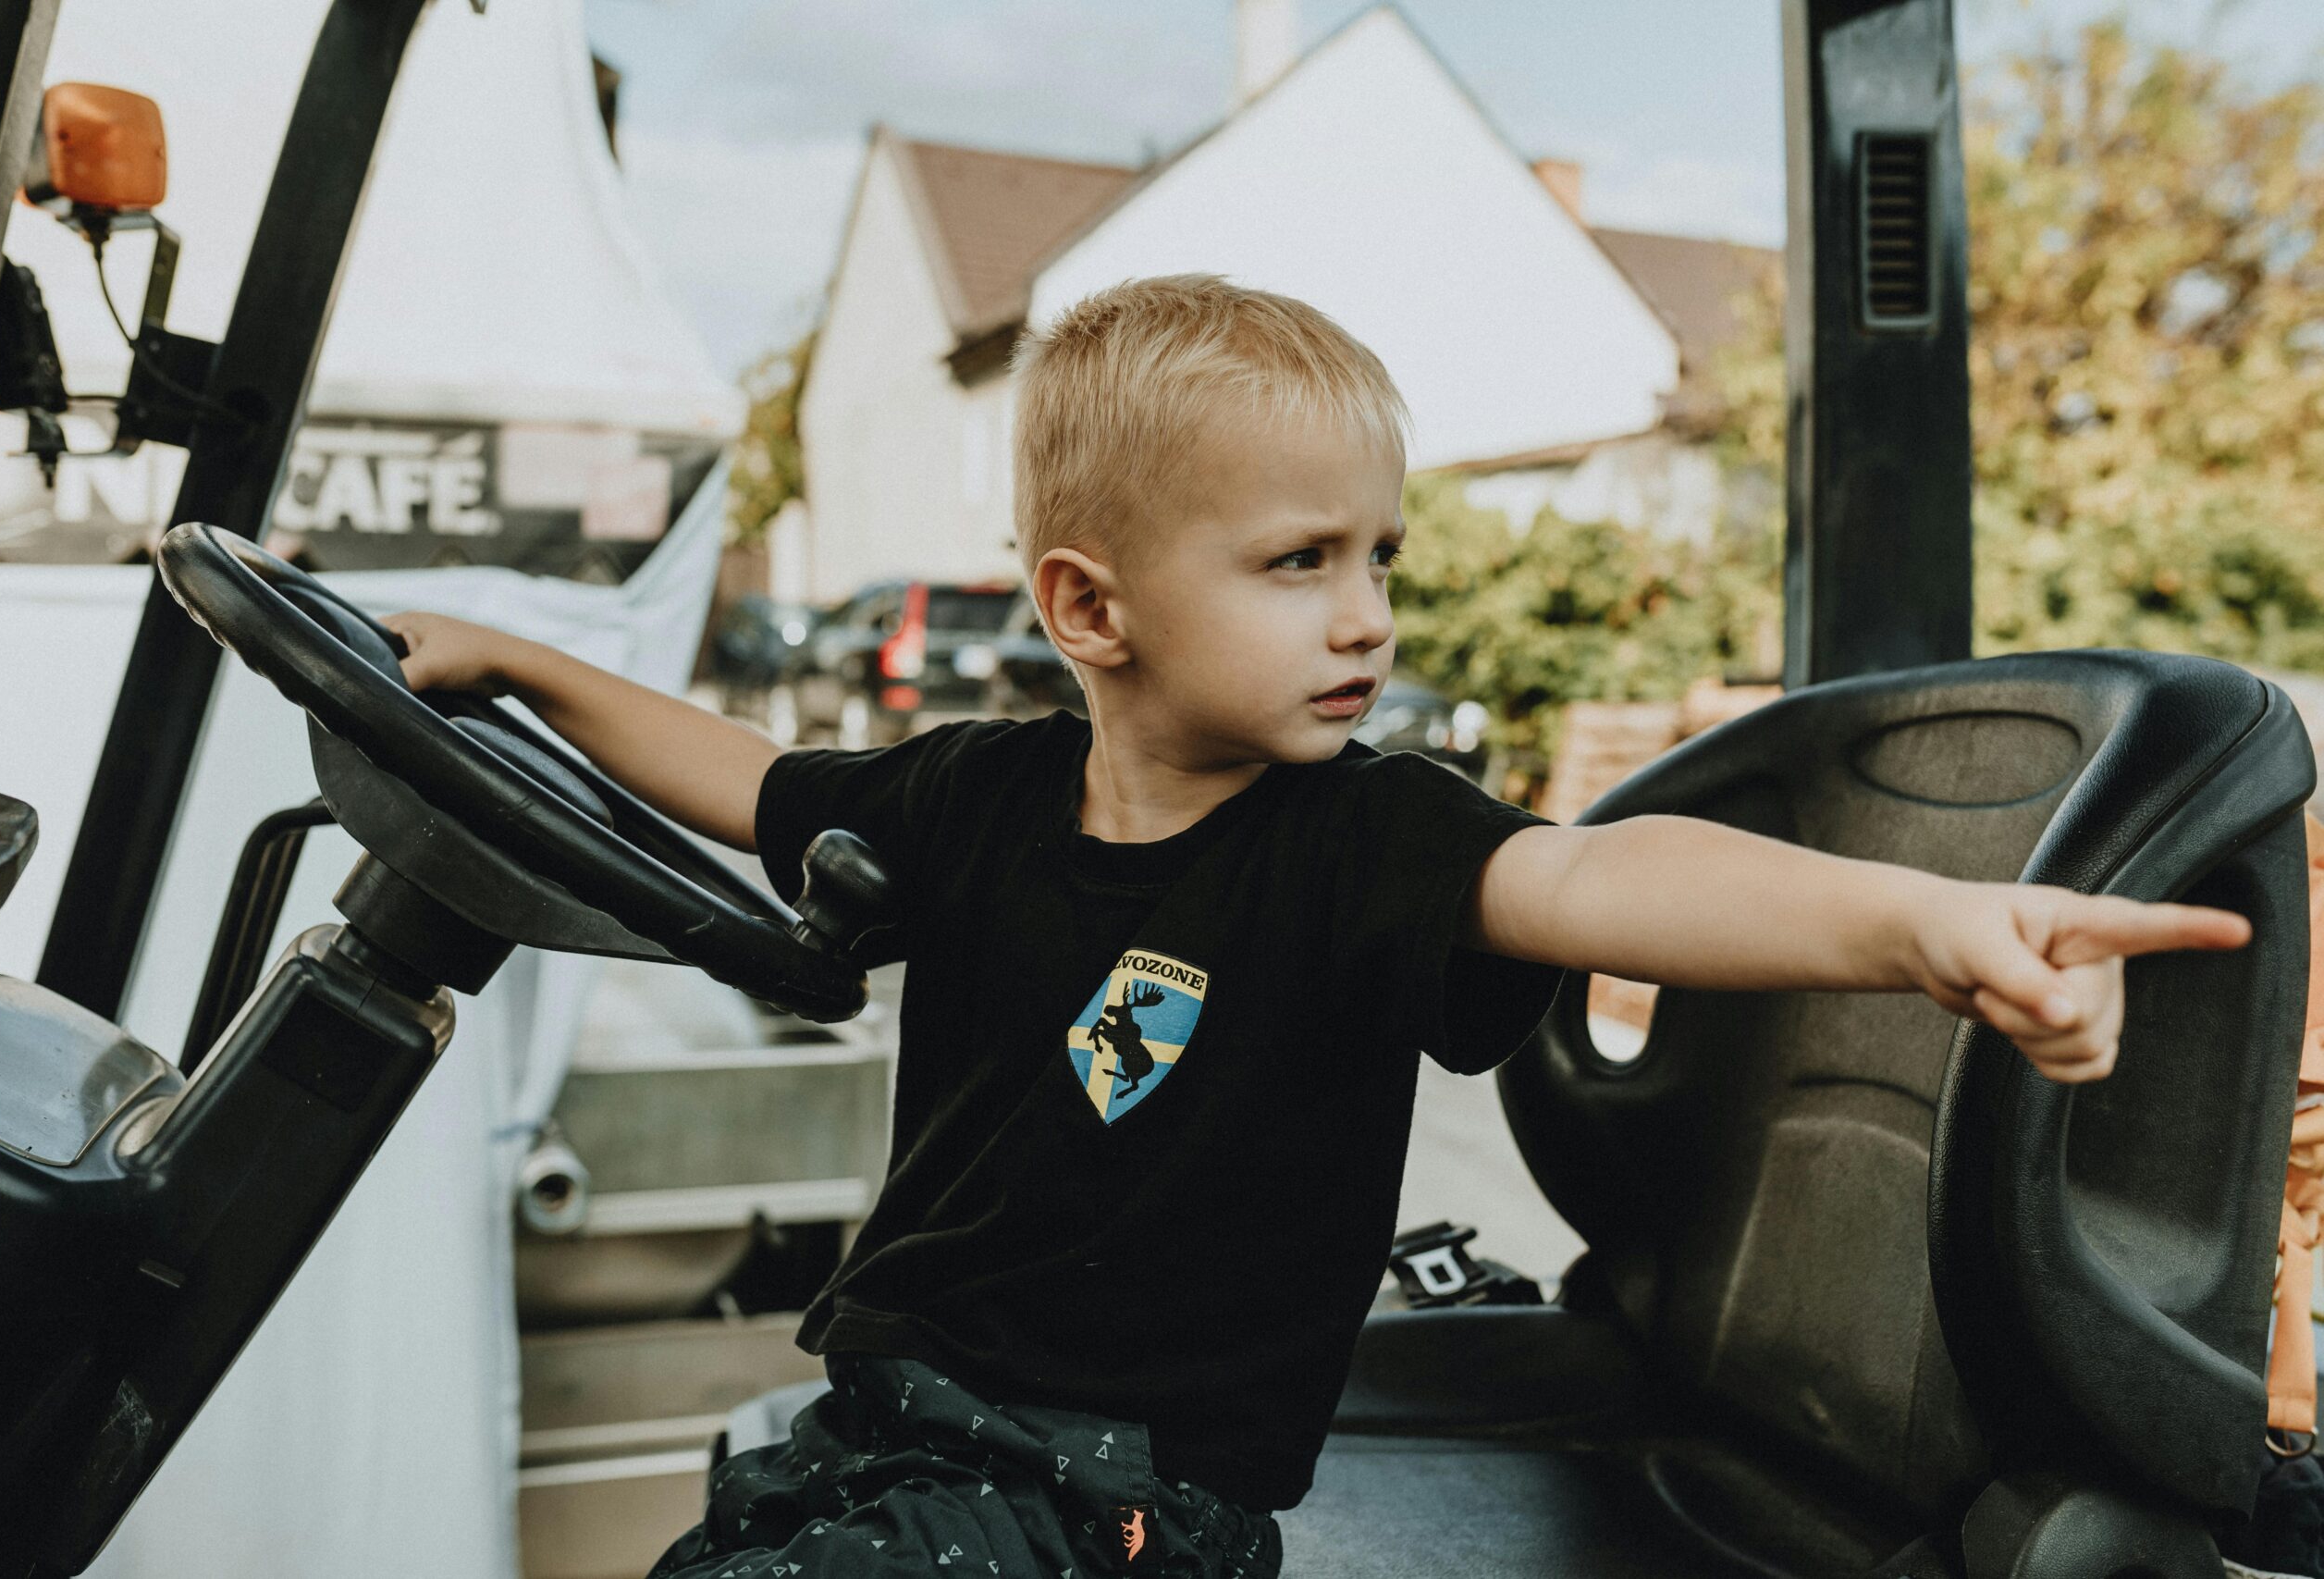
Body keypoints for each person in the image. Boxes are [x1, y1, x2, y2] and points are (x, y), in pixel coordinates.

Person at [381, 276, 2253, 1577]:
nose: (1363, 614)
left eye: (1380, 559)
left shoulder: (1364, 838)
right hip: (902, 1420)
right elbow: (744, 771)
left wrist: (1924, 923)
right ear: (1087, 608)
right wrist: (527, 662)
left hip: (1128, 1497)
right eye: (1297, 562)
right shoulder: (973, 795)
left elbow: (1603, 878)